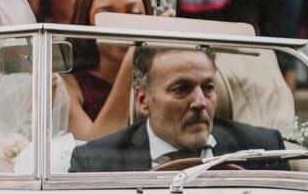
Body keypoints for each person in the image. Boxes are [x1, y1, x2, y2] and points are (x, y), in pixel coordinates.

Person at [70, 42, 283, 171]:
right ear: (143, 101)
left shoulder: (264, 151)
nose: (200, 102)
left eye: (208, 88)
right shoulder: (96, 162)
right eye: (182, 89)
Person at [62, 0, 152, 140]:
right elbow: (93, 156)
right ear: (87, 24)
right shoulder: (68, 86)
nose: (123, 27)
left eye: (133, 14)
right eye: (107, 16)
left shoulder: (163, 79)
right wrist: (129, 66)